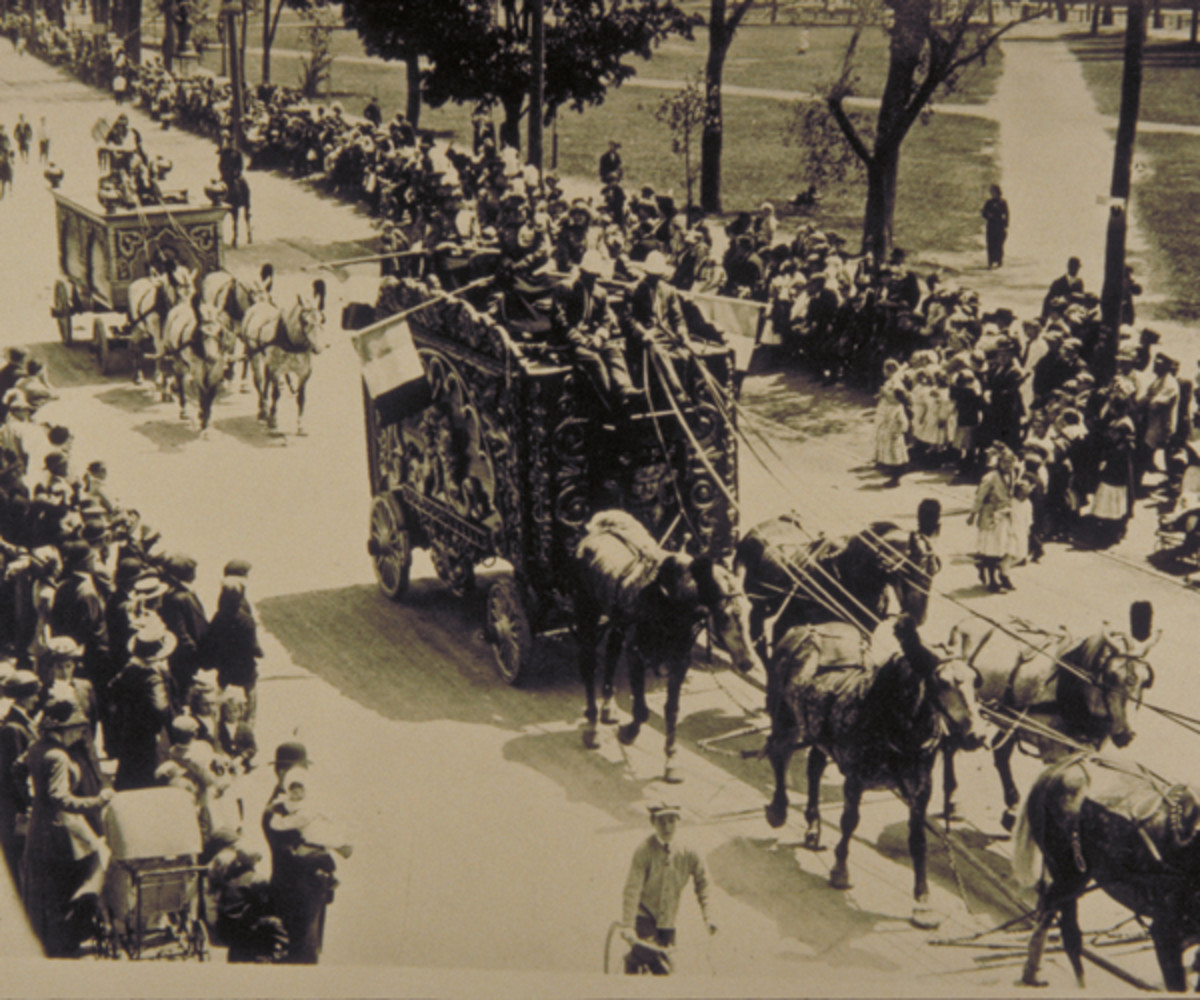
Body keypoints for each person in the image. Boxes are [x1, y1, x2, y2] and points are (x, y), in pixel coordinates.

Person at [21, 696, 113, 957]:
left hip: (41, 826)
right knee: (78, 878)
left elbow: (18, 769)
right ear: (63, 729)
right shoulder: (58, 756)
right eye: (77, 728)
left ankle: (57, 939)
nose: (81, 733)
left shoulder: (37, 748)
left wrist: (29, 799)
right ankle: (67, 941)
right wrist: (97, 801)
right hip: (61, 831)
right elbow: (59, 798)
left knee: (52, 887)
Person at [262, 764, 352, 964]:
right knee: (304, 926)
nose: (296, 791)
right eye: (292, 787)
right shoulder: (280, 807)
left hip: (301, 873)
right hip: (298, 875)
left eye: (300, 787)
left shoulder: (297, 807)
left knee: (306, 924)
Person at [620, 802, 715, 975]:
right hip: (644, 915)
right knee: (658, 962)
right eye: (661, 821)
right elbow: (632, 889)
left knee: (667, 969)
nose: (667, 827)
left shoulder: (689, 852)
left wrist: (709, 917)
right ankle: (632, 961)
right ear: (653, 823)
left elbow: (703, 884)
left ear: (678, 822)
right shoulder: (644, 850)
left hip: (668, 922)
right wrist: (627, 925)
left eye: (672, 821)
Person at [550, 250, 638, 413]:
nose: (591, 279)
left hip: (591, 337)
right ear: (581, 272)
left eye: (594, 275)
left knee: (613, 350)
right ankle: (609, 400)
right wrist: (580, 339)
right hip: (569, 342)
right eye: (588, 275)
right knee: (594, 359)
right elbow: (559, 320)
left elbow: (606, 319)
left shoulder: (600, 292)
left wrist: (600, 335)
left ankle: (625, 388)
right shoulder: (566, 288)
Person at [206, 559, 263, 726]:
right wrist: (258, 650)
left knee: (222, 684)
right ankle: (249, 721)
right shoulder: (243, 611)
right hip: (243, 660)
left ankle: (220, 717)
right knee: (250, 688)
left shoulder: (220, 610)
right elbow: (252, 642)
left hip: (225, 660)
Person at [0, 670, 40, 874]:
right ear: (23, 697)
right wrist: (27, 804)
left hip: (18, 803)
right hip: (16, 807)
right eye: (33, 694)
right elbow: (15, 773)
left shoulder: (23, 721)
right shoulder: (13, 729)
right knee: (18, 856)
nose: (36, 699)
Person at [968, 444, 1017, 592]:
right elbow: (980, 496)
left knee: (1007, 547)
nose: (1008, 466)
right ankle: (992, 581)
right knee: (993, 549)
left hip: (1006, 513)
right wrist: (973, 514)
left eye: (1011, 463)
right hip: (991, 515)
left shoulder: (1012, 474)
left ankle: (1002, 574)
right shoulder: (990, 478)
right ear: (999, 462)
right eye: (1005, 462)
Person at [981, 184, 1009, 268]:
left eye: (994, 192)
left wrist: (1006, 224)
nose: (993, 194)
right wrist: (988, 215)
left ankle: (999, 260)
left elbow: (1006, 214)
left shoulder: (1003, 202)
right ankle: (990, 262)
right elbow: (983, 213)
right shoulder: (989, 202)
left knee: (999, 244)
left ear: (998, 192)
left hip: (1000, 225)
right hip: (991, 225)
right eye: (991, 192)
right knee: (990, 244)